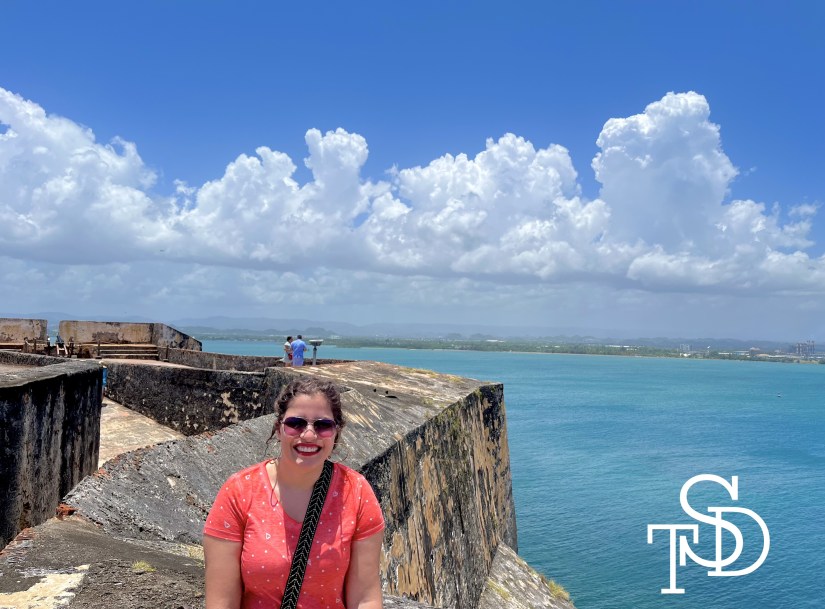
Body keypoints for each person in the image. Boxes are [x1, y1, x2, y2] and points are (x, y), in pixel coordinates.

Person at [203, 378, 384, 609]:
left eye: (322, 425)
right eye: (296, 424)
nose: (309, 435)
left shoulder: (356, 491)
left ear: (335, 433)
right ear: (279, 429)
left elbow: (365, 598)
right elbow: (222, 602)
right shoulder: (239, 491)